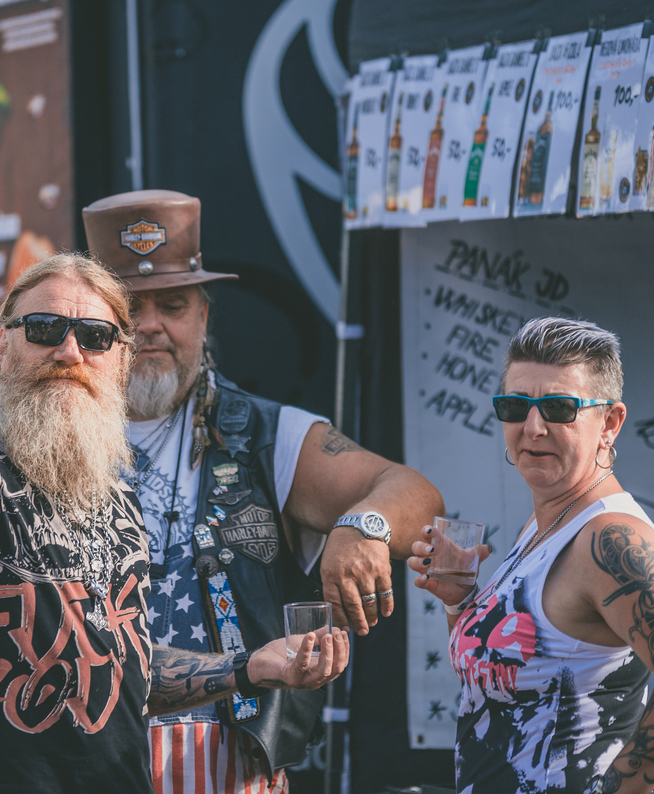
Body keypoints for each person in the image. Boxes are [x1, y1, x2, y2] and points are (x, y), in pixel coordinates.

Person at [0, 253, 349, 794]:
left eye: (95, 337)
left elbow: (128, 669)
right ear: (4, 346)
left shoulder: (119, 500)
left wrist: (249, 668)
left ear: (120, 360)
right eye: (44, 329)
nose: (69, 352)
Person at [81, 189, 443, 791]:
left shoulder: (266, 434)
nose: (149, 325)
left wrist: (365, 525)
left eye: (172, 304)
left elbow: (411, 490)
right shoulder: (49, 440)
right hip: (81, 759)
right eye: (128, 308)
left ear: (203, 317)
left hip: (228, 768)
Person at [409, 317, 654, 793]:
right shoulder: (548, 521)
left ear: (610, 423)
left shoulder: (610, 537)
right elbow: (500, 682)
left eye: (559, 408)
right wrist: (460, 599)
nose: (533, 428)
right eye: (515, 406)